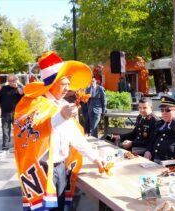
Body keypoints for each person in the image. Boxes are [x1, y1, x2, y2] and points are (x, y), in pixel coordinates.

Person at [13, 51, 105, 211]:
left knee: (60, 207)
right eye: (64, 83)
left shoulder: (62, 104)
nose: (68, 88)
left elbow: (75, 137)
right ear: (52, 83)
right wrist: (59, 118)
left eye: (69, 83)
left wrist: (95, 158)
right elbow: (33, 129)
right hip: (40, 170)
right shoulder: (32, 103)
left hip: (60, 168)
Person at [0, 74, 24, 157]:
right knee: (5, 132)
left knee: (19, 132)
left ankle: (20, 149)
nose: (11, 82)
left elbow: (23, 93)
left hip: (17, 114)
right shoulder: (4, 88)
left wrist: (18, 85)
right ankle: (5, 149)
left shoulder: (19, 88)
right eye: (9, 81)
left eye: (12, 80)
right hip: (5, 113)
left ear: (16, 80)